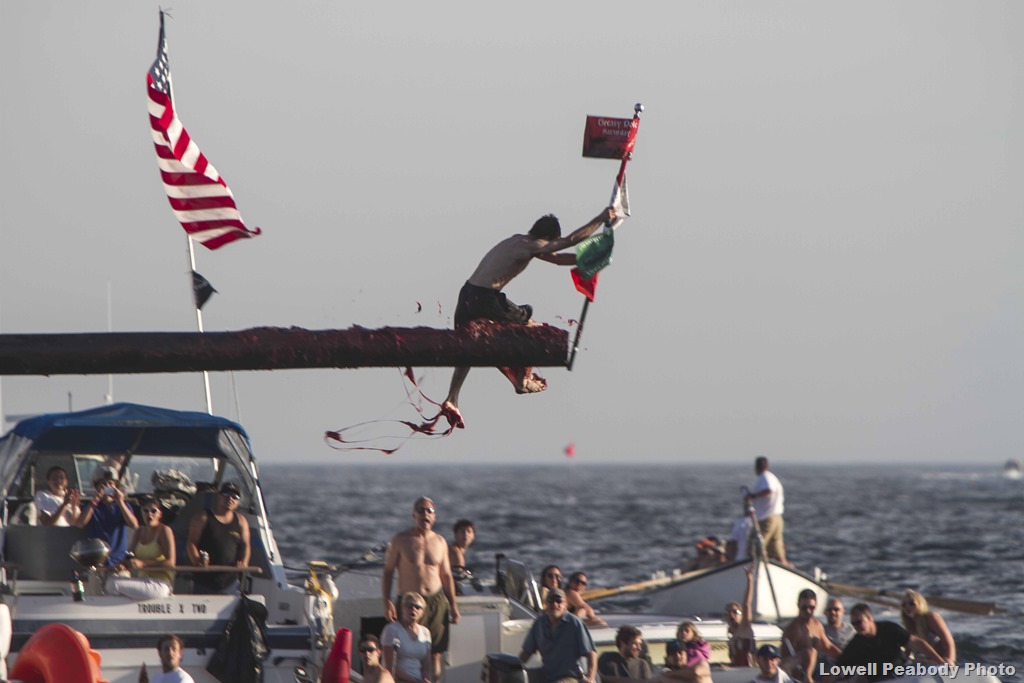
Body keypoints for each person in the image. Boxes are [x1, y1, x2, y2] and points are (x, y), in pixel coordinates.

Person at [439, 206, 619, 429]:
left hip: (467, 293)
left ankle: (452, 398)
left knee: (468, 348)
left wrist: (591, 258)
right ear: (550, 237)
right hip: (484, 298)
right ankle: (522, 381)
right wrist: (601, 218)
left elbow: (558, 259)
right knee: (532, 328)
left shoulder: (519, 241)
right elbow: (570, 240)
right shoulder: (531, 246)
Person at [382, 497, 460, 680]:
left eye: (429, 511)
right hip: (408, 601)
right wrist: (386, 602)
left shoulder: (440, 542)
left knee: (434, 653)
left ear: (434, 517)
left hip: (435, 601)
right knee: (400, 650)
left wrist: (454, 605)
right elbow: (388, 571)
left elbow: (446, 576)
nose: (425, 513)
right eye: (421, 510)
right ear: (414, 515)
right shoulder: (401, 540)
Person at [831, 603, 949, 680]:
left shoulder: (889, 628)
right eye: (853, 624)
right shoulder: (856, 644)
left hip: (903, 670)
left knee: (930, 667)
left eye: (859, 622)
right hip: (882, 679)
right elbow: (838, 668)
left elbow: (917, 643)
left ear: (870, 618)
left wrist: (940, 660)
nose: (856, 626)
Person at [518, 587, 597, 683]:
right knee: (518, 677)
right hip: (547, 674)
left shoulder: (574, 623)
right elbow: (526, 652)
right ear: (546, 604)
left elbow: (591, 653)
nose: (554, 604)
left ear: (565, 605)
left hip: (572, 677)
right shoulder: (539, 623)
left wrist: (591, 677)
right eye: (551, 601)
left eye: (558, 601)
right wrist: (514, 668)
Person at [186, 482, 251, 595]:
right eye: (226, 495)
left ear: (238, 502)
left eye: (235, 497)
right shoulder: (203, 517)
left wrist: (244, 562)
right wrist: (197, 560)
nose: (230, 499)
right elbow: (191, 543)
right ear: (219, 497)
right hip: (204, 581)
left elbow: (246, 545)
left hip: (231, 582)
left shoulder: (241, 521)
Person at [107, 496, 176, 599]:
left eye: (153, 511)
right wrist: (123, 564)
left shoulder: (164, 530)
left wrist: (143, 564)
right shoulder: (139, 532)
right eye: (145, 510)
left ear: (160, 514)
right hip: (142, 581)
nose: (149, 514)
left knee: (113, 585)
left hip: (160, 583)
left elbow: (170, 563)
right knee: (111, 581)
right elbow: (130, 556)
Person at [75, 468, 139, 567]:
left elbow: (134, 525)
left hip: (118, 561)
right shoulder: (91, 506)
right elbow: (80, 524)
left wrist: (120, 502)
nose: (107, 487)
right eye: (103, 484)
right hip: (96, 559)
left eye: (110, 484)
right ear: (97, 486)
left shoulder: (123, 506)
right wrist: (95, 501)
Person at [779, 589, 840, 683]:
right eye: (804, 608)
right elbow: (786, 661)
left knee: (834, 671)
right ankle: (808, 678)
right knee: (810, 652)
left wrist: (847, 659)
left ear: (816, 607)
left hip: (816, 670)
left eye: (811, 607)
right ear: (798, 605)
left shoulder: (817, 625)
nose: (808, 611)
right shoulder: (792, 629)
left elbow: (828, 647)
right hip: (796, 671)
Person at [382, 591, 434, 683]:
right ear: (402, 608)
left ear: (422, 612)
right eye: (409, 606)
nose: (413, 609)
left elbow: (427, 666)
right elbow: (389, 666)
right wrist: (414, 681)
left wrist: (426, 680)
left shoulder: (425, 632)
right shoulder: (392, 630)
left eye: (417, 607)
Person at [749, 457, 789, 565]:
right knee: (776, 549)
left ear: (756, 467)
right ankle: (783, 566)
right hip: (777, 519)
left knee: (755, 546)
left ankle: (754, 568)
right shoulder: (772, 477)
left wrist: (753, 496)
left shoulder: (765, 477)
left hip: (767, 518)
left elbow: (768, 490)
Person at [899, 589, 956, 663]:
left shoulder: (931, 617)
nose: (907, 607)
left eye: (911, 603)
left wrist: (950, 660)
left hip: (941, 661)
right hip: (924, 662)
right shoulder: (910, 624)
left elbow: (949, 642)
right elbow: (908, 648)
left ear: (919, 604)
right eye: (904, 605)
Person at [724, 564, 757, 666]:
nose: (731, 614)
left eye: (735, 612)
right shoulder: (732, 635)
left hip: (747, 671)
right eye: (728, 612)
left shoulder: (745, 628)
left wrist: (750, 579)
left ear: (742, 615)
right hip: (736, 670)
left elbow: (747, 604)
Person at [820, 598, 854, 669]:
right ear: (825, 613)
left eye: (836, 609)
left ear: (843, 612)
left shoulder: (852, 631)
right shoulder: (819, 630)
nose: (832, 612)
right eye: (829, 610)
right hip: (823, 669)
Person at [725, 497, 755, 562]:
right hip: (753, 559)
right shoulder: (762, 522)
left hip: (741, 560)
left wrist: (730, 560)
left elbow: (733, 543)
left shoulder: (741, 522)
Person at [449, 518, 476, 583]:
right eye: (462, 531)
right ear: (455, 534)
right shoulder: (455, 553)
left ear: (473, 536)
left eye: (469, 531)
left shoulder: (456, 550)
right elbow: (459, 579)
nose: (465, 534)